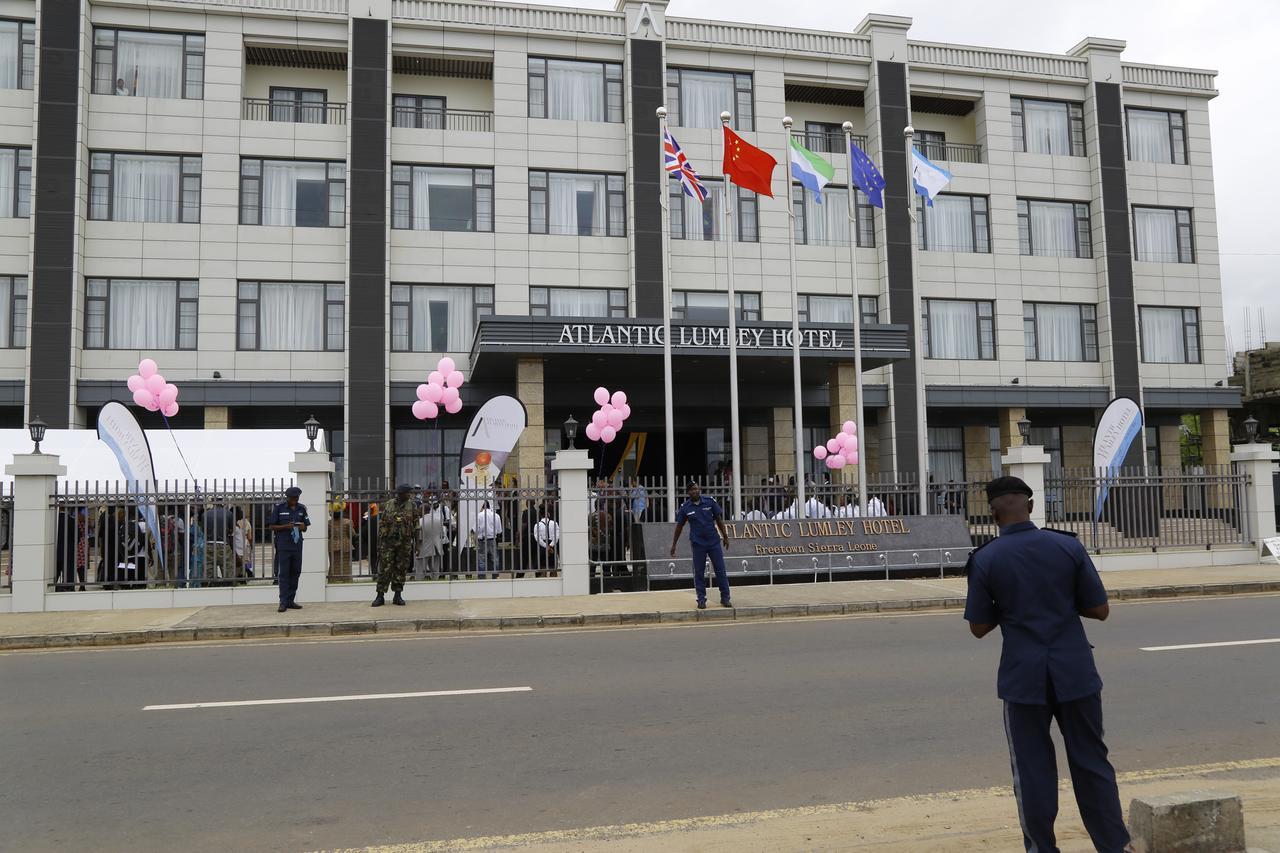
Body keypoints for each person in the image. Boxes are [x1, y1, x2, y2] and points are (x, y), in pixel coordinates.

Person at [964, 476, 1130, 853]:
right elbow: (1100, 610)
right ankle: (1115, 846)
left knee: (1033, 772)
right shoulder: (1067, 546)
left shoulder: (986, 559)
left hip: (1024, 680)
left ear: (992, 514)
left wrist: (1010, 606)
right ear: (1032, 506)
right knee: (1092, 763)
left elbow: (978, 627)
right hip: (1076, 673)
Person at [669, 481, 732, 610]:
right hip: (698, 544)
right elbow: (679, 526)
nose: (695, 491)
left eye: (696, 489)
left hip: (713, 541)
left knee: (720, 570)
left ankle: (725, 598)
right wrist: (674, 544)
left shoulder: (709, 502)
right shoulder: (685, 507)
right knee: (699, 572)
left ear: (700, 489)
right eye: (692, 489)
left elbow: (719, 520)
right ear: (688, 492)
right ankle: (701, 599)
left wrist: (725, 536)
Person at [373, 484, 417, 606]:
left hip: (404, 543)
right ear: (401, 493)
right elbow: (382, 523)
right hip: (388, 543)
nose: (409, 495)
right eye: (408, 493)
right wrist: (380, 542)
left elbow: (416, 525)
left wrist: (417, 544)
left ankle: (397, 595)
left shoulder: (412, 505)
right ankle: (380, 596)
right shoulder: (389, 504)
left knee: (401, 569)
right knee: (384, 569)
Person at [268, 486, 310, 613]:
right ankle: (283, 602)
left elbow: (306, 527)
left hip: (297, 545)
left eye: (297, 497)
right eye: (293, 498)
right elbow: (272, 526)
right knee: (284, 574)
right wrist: (287, 526)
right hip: (284, 545)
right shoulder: (279, 508)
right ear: (288, 497)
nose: (295, 500)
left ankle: (291, 600)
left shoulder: (302, 509)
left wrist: (302, 526)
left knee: (296, 572)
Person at [417, 493, 450, 579]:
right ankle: (436, 582)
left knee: (421, 569)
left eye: (420, 510)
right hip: (436, 547)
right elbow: (442, 535)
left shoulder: (420, 522)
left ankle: (419, 583)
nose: (419, 511)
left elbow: (419, 537)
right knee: (435, 569)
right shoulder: (438, 520)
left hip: (424, 548)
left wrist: (416, 547)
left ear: (423, 510)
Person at [203, 501, 235, 585]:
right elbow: (231, 530)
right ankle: (228, 586)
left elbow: (203, 529)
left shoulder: (205, 514)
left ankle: (210, 585)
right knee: (228, 570)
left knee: (208, 570)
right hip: (223, 543)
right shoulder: (229, 514)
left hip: (208, 543)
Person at [471, 499, 503, 580]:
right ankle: (495, 576)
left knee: (481, 559)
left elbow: (474, 529)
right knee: (495, 558)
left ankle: (482, 576)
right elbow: (499, 531)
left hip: (482, 540)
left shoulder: (479, 515)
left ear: (482, 506)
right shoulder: (496, 516)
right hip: (492, 539)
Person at [328, 502, 353, 581]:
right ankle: (346, 579)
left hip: (333, 546)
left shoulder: (329, 523)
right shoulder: (348, 522)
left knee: (334, 564)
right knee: (346, 564)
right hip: (346, 545)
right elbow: (352, 534)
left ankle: (333, 579)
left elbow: (328, 535)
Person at [534, 503, 558, 574]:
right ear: (548, 513)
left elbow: (538, 539)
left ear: (540, 514)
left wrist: (546, 546)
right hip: (552, 547)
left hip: (542, 548)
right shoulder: (554, 523)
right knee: (553, 569)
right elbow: (556, 536)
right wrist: (550, 546)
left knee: (543, 569)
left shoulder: (537, 525)